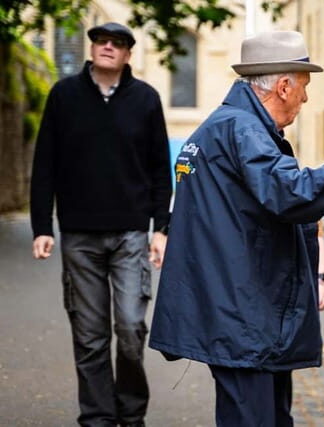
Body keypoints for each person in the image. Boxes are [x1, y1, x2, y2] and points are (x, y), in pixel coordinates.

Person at [147, 31, 324, 426]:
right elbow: (295, 194)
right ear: (283, 86)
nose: (305, 99)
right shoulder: (243, 130)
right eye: (303, 87)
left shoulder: (225, 126)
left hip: (240, 310)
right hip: (242, 314)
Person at [29, 22, 170, 427]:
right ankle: (97, 418)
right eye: (101, 41)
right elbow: (45, 165)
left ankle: (130, 413)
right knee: (90, 338)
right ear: (92, 49)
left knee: (129, 329)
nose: (108, 47)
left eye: (118, 43)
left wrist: (161, 228)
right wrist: (42, 226)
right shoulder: (64, 96)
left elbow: (161, 169)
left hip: (130, 234)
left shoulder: (146, 99)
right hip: (79, 236)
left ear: (128, 54)